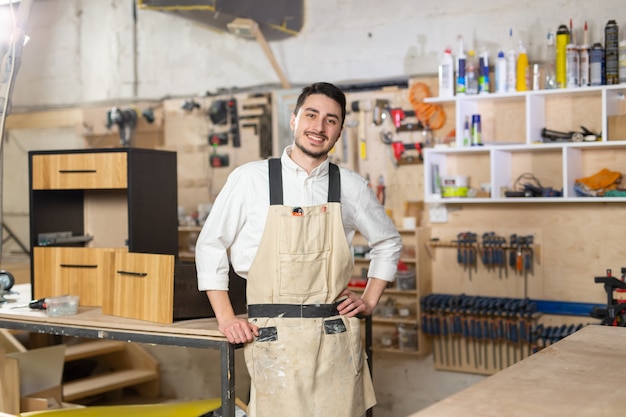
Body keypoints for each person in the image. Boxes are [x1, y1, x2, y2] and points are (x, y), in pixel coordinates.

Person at [195, 81, 402, 417]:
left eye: (331, 120)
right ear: (294, 120)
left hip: (334, 336)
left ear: (339, 130)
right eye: (311, 115)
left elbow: (389, 242)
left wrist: (370, 299)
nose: (319, 127)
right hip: (273, 336)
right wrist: (226, 318)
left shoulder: (350, 186)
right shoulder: (250, 179)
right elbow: (210, 245)